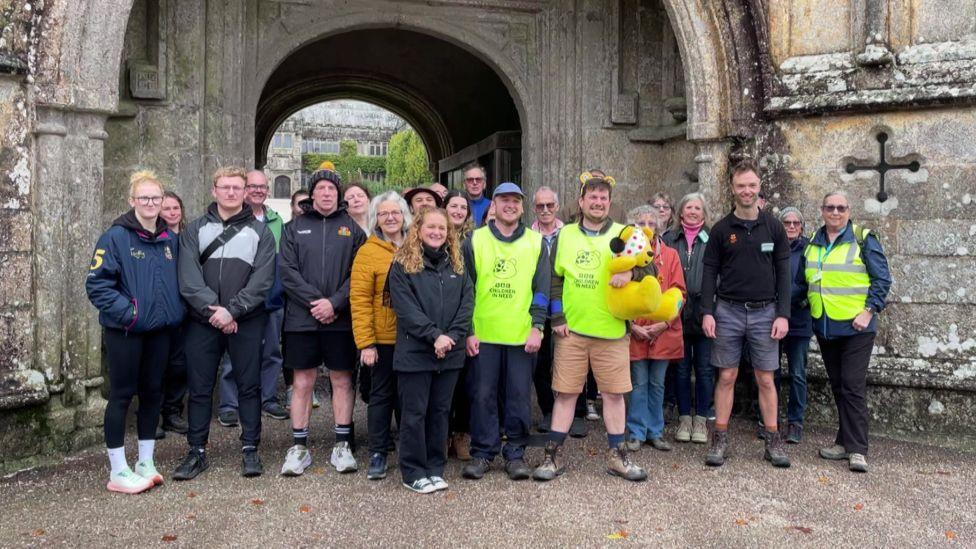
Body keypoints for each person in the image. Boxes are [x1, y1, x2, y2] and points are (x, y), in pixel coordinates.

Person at [533, 170, 647, 483]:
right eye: (592, 197)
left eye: (603, 198)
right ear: (581, 201)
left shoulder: (626, 234)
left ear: (610, 202)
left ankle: (619, 457)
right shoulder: (566, 234)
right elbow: (554, 278)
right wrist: (557, 317)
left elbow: (648, 269)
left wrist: (631, 275)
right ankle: (552, 457)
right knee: (566, 395)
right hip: (573, 332)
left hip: (611, 331)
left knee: (613, 396)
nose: (598, 202)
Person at [173, 166, 276, 480]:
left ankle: (250, 448)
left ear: (244, 192)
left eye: (237, 188)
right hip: (203, 322)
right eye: (225, 187)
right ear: (214, 190)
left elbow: (263, 279)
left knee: (249, 385)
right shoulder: (194, 231)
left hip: (245, 320)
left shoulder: (261, 232)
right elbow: (188, 279)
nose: (231, 193)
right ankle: (197, 451)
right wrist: (214, 312)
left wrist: (233, 311)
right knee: (201, 388)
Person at [86, 170, 184, 494]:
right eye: (144, 197)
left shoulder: (169, 239)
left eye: (156, 198)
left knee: (153, 393)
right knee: (122, 395)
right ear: (132, 200)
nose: (151, 203)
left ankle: (145, 461)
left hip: (160, 331)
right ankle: (118, 470)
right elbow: (97, 284)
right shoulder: (115, 237)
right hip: (126, 331)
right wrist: (130, 313)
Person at [700, 159, 792, 468]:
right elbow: (710, 270)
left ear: (759, 187)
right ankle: (720, 438)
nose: (747, 191)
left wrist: (783, 314)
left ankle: (773, 440)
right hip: (728, 311)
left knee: (766, 378)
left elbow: (783, 273)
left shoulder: (774, 227)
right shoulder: (722, 230)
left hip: (766, 313)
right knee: (726, 375)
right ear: (732, 188)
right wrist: (707, 312)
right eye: (741, 186)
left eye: (752, 185)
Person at [279, 167, 366, 475]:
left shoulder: (353, 230)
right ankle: (299, 446)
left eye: (332, 189)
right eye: (321, 189)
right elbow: (287, 272)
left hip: (340, 320)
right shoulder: (294, 228)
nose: (326, 193)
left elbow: (358, 275)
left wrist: (334, 303)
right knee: (302, 381)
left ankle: (342, 445)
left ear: (338, 195)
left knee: (342, 379)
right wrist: (316, 302)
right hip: (302, 320)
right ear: (312, 194)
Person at [460, 183, 549, 481]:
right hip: (484, 334)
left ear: (522, 207)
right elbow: (466, 289)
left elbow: (542, 290)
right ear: (494, 205)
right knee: (482, 395)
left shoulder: (537, 242)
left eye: (515, 200)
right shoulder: (474, 240)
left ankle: (515, 454)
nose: (510, 205)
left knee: (519, 397)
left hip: (521, 335)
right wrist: (469, 331)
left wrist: (538, 327)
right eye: (504, 200)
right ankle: (483, 453)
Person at [388, 207, 473, 493]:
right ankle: (413, 471)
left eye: (442, 228)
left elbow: (466, 304)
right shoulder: (402, 264)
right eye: (431, 227)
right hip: (416, 353)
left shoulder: (457, 264)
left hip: (450, 353)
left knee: (440, 412)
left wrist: (450, 337)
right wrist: (434, 336)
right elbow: (405, 309)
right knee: (414, 414)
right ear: (418, 230)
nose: (437, 232)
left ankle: (435, 468)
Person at [804, 191, 891, 472]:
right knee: (840, 385)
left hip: (857, 328)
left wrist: (869, 311)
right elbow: (803, 283)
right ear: (822, 210)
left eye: (841, 208)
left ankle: (857, 449)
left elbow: (882, 278)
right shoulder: (813, 244)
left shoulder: (863, 238)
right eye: (830, 207)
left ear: (848, 210)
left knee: (853, 386)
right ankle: (843, 442)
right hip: (826, 326)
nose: (836, 212)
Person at [216, 170, 289, 427]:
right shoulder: (233, 219)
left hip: (271, 299)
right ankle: (229, 404)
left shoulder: (277, 221)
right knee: (233, 354)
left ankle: (268, 398)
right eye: (253, 186)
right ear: (245, 189)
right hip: (240, 301)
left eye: (262, 187)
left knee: (272, 351)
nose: (258, 190)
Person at [350, 191, 412, 480]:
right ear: (377, 218)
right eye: (384, 213)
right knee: (381, 396)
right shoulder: (368, 251)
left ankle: (409, 450)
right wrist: (366, 343)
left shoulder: (416, 245)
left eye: (395, 213)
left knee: (408, 398)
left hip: (413, 338)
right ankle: (378, 451)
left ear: (404, 216)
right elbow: (360, 300)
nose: (390, 218)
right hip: (383, 340)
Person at [625, 205, 685, 452]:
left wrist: (665, 323)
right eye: (641, 223)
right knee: (639, 383)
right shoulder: (628, 257)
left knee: (658, 384)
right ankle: (637, 432)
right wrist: (632, 326)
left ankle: (655, 431)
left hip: (663, 331)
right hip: (637, 331)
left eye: (651, 223)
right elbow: (618, 293)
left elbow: (680, 293)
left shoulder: (670, 255)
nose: (647, 228)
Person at [662, 192, 714, 444]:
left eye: (698, 208)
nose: (693, 211)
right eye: (688, 207)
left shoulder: (713, 238)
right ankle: (684, 418)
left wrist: (711, 307)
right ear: (681, 212)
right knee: (681, 370)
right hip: (677, 314)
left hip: (705, 313)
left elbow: (721, 274)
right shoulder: (670, 239)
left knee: (704, 370)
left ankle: (701, 420)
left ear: (704, 213)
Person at [443, 189, 474, 459]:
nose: (458, 211)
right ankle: (442, 434)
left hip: (465, 318)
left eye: (463, 207)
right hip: (439, 319)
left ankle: (462, 434)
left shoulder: (474, 240)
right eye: (454, 205)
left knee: (464, 382)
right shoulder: (433, 234)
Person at [529, 186, 563, 432]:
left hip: (565, 310)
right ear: (533, 209)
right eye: (540, 206)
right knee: (540, 363)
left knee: (567, 361)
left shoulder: (570, 234)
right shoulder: (527, 236)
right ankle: (548, 410)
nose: (545, 210)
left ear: (557, 207)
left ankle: (573, 412)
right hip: (538, 308)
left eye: (550, 205)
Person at [778, 207, 812, 444]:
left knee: (798, 373)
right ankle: (769, 419)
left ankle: (795, 422)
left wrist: (787, 297)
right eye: (786, 223)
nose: (791, 226)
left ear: (801, 226)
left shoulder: (810, 250)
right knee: (771, 372)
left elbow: (811, 282)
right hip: (773, 319)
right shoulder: (771, 247)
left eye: (795, 223)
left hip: (799, 319)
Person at [282, 188, 318, 410]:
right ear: (293, 207)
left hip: (327, 303)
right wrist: (315, 299)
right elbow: (287, 269)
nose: (305, 207)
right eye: (300, 203)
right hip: (294, 300)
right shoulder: (289, 230)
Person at [158, 191, 189, 437]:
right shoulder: (156, 238)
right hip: (162, 311)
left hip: (186, 310)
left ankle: (172, 412)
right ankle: (153, 415)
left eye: (175, 207)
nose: (171, 212)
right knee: (157, 366)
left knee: (180, 365)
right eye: (166, 208)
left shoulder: (189, 236)